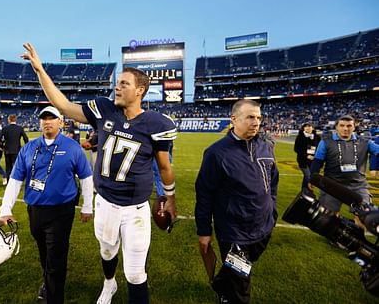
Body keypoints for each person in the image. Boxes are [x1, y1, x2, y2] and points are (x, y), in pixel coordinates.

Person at [21, 43, 177, 304]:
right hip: (104, 202)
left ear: (139, 90)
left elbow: (164, 166)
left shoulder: (157, 124)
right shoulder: (103, 109)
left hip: (136, 208)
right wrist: (40, 70)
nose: (117, 87)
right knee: (106, 252)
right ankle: (109, 283)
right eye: (117, 83)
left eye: (124, 84)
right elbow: (62, 103)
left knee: (136, 273)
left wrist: (170, 197)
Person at [0, 106, 94, 304]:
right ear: (40, 122)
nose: (47, 121)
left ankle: (54, 297)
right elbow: (15, 180)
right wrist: (5, 209)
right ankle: (49, 280)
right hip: (35, 211)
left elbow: (86, 178)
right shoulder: (29, 148)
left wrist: (87, 206)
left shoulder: (72, 147)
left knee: (56, 256)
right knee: (45, 252)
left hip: (61, 211)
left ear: (60, 122)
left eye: (52, 118)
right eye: (44, 118)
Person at [195, 99, 278, 304]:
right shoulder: (216, 153)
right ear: (234, 119)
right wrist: (204, 231)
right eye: (250, 117)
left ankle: (221, 284)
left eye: (258, 117)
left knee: (240, 268)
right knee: (241, 285)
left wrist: (272, 210)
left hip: (263, 225)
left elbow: (273, 182)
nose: (256, 122)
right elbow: (204, 193)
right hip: (234, 230)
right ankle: (228, 294)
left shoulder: (266, 147)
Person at [309, 115, 379, 213]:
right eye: (342, 125)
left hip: (358, 185)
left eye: (349, 126)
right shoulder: (325, 142)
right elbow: (317, 162)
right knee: (329, 216)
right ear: (336, 127)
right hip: (332, 185)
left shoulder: (365, 142)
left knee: (365, 216)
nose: (345, 129)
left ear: (354, 127)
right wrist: (312, 178)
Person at [0, 114, 29, 181]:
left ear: (9, 120)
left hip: (7, 150)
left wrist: (1, 146)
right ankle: (16, 181)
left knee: (8, 167)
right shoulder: (19, 128)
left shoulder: (5, 128)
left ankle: (9, 182)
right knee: (16, 167)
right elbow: (25, 138)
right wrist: (26, 147)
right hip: (16, 150)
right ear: (15, 120)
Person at [293, 123, 320, 195]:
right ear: (303, 128)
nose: (308, 128)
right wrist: (306, 155)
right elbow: (296, 149)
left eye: (309, 126)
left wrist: (316, 156)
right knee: (307, 175)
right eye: (306, 127)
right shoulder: (300, 137)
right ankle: (308, 191)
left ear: (313, 128)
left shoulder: (317, 137)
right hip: (302, 160)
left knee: (309, 176)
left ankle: (304, 191)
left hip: (313, 160)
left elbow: (320, 148)